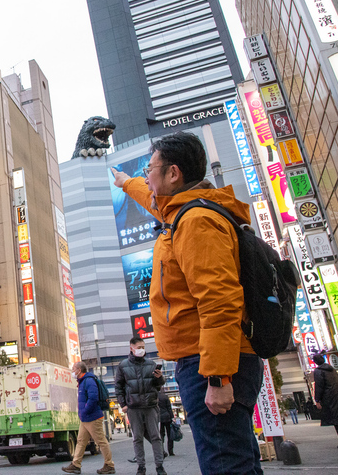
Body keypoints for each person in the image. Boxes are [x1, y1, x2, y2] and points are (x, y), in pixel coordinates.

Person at [113, 131, 263, 475]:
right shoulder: (187, 209)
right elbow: (153, 199)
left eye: (150, 169)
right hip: (209, 358)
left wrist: (217, 379)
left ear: (173, 174)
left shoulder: (196, 222)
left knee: (226, 465)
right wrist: (125, 183)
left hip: (209, 362)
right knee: (237, 459)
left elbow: (220, 302)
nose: (147, 176)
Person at [115, 336, 166, 475]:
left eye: (143, 347)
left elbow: (159, 384)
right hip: (134, 407)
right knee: (137, 438)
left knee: (156, 436)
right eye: (139, 347)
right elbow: (118, 387)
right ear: (131, 348)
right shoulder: (123, 365)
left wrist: (159, 377)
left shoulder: (151, 364)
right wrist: (123, 404)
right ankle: (141, 467)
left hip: (150, 405)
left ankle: (159, 466)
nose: (141, 350)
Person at [62, 361, 115, 474]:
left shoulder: (89, 380)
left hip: (92, 417)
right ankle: (76, 464)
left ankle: (109, 465)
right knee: (81, 441)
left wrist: (85, 411)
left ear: (79, 370)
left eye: (73, 369)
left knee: (101, 441)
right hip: (86, 418)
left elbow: (93, 398)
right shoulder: (82, 381)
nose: (72, 372)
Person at [158, 387, 175, 457]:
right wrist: (172, 417)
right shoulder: (165, 397)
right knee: (169, 434)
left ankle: (161, 450)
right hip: (167, 417)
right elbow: (169, 408)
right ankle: (170, 451)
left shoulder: (155, 398)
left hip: (159, 418)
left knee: (161, 435)